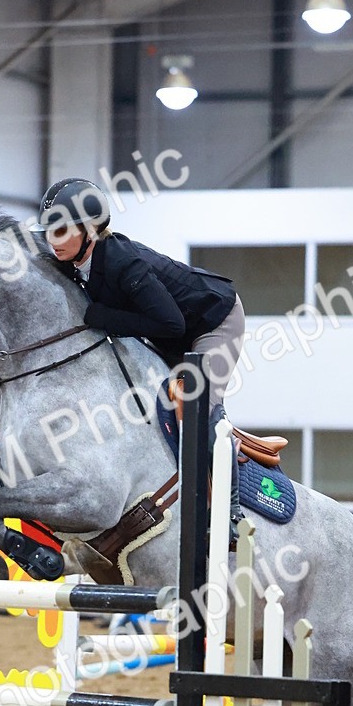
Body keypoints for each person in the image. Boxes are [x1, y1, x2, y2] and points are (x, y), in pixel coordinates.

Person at [33, 177, 246, 533]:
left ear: (90, 230)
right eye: (48, 231)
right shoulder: (72, 260)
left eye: (61, 231)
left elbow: (171, 324)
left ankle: (231, 510)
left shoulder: (123, 263)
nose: (52, 240)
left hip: (214, 321)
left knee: (195, 403)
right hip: (173, 328)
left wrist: (104, 317)